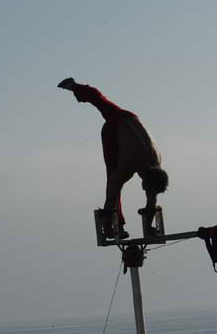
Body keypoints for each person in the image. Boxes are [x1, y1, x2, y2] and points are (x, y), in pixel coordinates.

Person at [58, 77, 168, 239]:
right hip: (114, 130)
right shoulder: (132, 161)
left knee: (102, 103)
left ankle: (116, 222)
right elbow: (113, 184)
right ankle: (74, 86)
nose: (145, 191)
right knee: (114, 179)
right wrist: (108, 214)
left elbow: (151, 198)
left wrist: (150, 226)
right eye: (145, 188)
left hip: (132, 120)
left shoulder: (155, 166)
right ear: (145, 179)